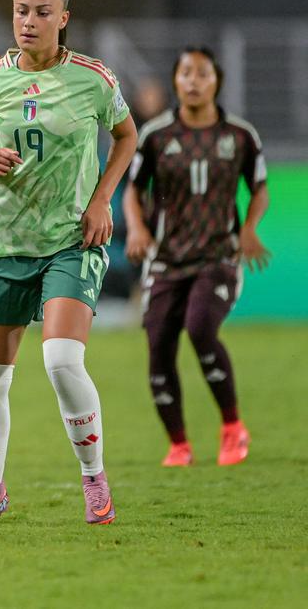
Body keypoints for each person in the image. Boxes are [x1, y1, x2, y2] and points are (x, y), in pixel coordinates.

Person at [0, 0, 137, 525]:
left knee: (61, 360)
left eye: (40, 12)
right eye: (20, 10)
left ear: (63, 19)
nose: (28, 21)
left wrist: (102, 199)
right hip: (7, 243)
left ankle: (94, 479)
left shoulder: (93, 78)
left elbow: (127, 136)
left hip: (70, 241)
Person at [123, 46, 268, 467]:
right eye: (186, 73)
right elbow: (133, 189)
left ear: (217, 81)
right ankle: (179, 445)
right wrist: (137, 227)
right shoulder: (156, 135)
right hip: (167, 259)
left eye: (202, 73)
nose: (193, 81)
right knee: (158, 346)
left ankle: (232, 427)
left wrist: (249, 228)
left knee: (200, 327)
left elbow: (259, 188)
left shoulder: (239, 135)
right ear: (175, 80)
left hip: (218, 256)